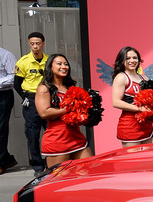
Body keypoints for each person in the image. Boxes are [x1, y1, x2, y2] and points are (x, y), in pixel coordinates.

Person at [35, 54, 92, 168]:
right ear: (50, 67)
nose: (64, 66)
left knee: (88, 172)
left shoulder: (69, 87)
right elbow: (44, 112)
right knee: (59, 179)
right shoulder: (44, 88)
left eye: (66, 64)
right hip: (57, 140)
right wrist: (67, 109)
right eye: (59, 64)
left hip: (77, 137)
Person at [14, 32, 48, 176]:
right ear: (29, 44)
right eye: (32, 44)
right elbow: (17, 84)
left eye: (38, 43)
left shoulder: (49, 60)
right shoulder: (23, 62)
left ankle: (51, 163)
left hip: (47, 101)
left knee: (51, 132)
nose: (35, 46)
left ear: (43, 44)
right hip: (32, 102)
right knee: (32, 135)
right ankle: (38, 167)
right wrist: (26, 97)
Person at [111, 46, 153, 147]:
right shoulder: (121, 77)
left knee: (147, 160)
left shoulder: (144, 78)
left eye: (135, 58)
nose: (132, 61)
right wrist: (140, 109)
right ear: (122, 60)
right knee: (133, 161)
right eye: (128, 58)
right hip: (130, 125)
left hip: (146, 125)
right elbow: (116, 102)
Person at [0, 46, 18, 174]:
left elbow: (13, 77)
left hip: (3, 95)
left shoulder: (6, 55)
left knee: (1, 128)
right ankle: (7, 158)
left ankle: (1, 162)